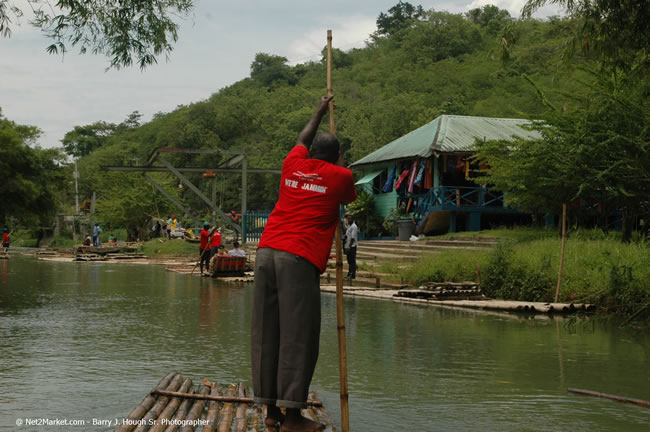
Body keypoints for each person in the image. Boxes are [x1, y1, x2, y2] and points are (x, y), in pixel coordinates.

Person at [251, 95, 356, 432]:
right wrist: (338, 164)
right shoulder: (341, 176)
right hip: (298, 258)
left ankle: (271, 411)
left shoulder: (293, 163)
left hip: (266, 253)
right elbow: (349, 196)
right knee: (298, 336)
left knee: (267, 332)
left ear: (311, 152)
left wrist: (318, 112)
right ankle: (293, 418)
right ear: (338, 156)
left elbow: (301, 139)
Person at [344, 214, 358, 279]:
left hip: (352, 246)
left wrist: (349, 246)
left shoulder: (354, 227)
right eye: (348, 219)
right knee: (349, 261)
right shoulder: (349, 226)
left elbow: (353, 238)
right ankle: (349, 273)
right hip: (348, 245)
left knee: (352, 261)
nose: (348, 220)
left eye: (350, 219)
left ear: (353, 219)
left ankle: (352, 274)